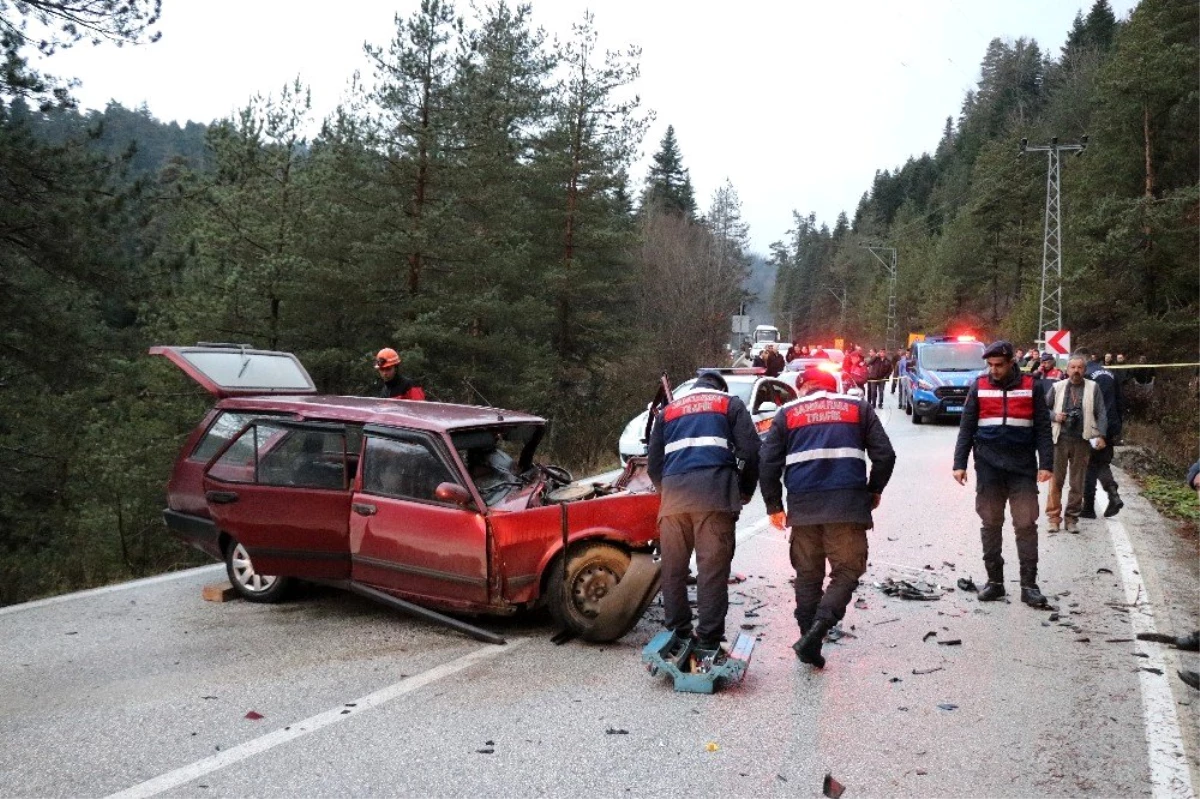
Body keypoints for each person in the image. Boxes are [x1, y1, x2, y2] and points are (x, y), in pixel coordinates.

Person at [759, 365, 896, 668]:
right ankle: (817, 632)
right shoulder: (858, 408)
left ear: (803, 386)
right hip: (847, 505)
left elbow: (767, 463)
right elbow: (885, 455)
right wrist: (873, 491)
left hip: (803, 508)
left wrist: (774, 506)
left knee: (808, 577)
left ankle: (809, 639)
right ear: (832, 386)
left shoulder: (787, 413)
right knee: (847, 570)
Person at [647, 370, 761, 654]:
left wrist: (668, 490)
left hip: (674, 501)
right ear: (718, 387)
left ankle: (678, 633)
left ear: (696, 387)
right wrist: (744, 491)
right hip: (714, 497)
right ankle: (708, 640)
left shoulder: (669, 412)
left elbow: (653, 464)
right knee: (711, 571)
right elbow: (751, 451)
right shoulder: (730, 404)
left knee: (673, 570)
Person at [952, 340, 1053, 607]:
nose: (993, 370)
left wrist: (1047, 464)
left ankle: (1029, 586)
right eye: (990, 365)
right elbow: (966, 428)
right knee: (990, 523)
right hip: (988, 467)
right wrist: (959, 463)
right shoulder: (979, 386)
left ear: (1011, 363)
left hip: (1022, 467)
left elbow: (1043, 428)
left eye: (999, 365)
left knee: (1025, 524)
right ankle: (995, 582)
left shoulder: (1032, 386)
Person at [1045, 355, 1107, 533]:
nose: (1076, 371)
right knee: (1056, 480)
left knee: (1077, 482)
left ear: (1085, 370)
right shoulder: (1057, 387)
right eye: (1072, 367)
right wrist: (1055, 416)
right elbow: (1043, 408)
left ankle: (1072, 518)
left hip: (1082, 441)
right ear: (1067, 369)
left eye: (1080, 368)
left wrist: (1101, 435)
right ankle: (1054, 518)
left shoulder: (1093, 387)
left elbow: (1101, 412)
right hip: (1060, 440)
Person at [1080, 348, 1123, 518]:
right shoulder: (1111, 374)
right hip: (1111, 424)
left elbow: (1086, 404)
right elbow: (1120, 401)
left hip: (1093, 425)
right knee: (1102, 463)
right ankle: (1113, 495)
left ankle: (1088, 507)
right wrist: (1117, 427)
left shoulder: (1087, 375)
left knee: (1089, 465)